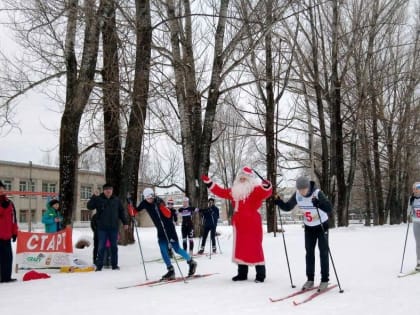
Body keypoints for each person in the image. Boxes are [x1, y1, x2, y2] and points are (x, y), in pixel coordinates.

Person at [201, 166, 272, 283]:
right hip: (239, 225)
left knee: (255, 248)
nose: (242, 180)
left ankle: (260, 275)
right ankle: (242, 274)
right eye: (241, 178)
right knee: (241, 248)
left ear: (250, 180)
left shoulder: (256, 189)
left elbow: (266, 192)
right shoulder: (235, 191)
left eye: (245, 178)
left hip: (253, 224)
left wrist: (267, 186)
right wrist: (210, 184)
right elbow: (221, 192)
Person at [275, 176, 332, 291]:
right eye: (300, 189)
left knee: (323, 253)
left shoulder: (317, 193)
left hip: (322, 226)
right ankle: (310, 279)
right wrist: (279, 201)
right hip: (309, 227)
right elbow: (288, 207)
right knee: (309, 253)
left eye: (304, 189)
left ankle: (325, 280)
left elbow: (329, 208)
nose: (302, 192)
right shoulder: (297, 195)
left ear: (308, 187)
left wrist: (318, 203)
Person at [136, 188, 197, 280]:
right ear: (145, 197)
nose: (150, 199)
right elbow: (135, 211)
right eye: (148, 198)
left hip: (169, 229)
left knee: (176, 249)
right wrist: (130, 205)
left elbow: (168, 214)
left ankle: (191, 262)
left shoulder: (159, 201)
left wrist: (161, 206)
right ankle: (170, 270)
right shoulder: (144, 203)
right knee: (163, 249)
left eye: (151, 197)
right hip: (160, 230)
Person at [87, 183, 129, 271]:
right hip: (102, 228)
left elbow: (121, 212)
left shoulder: (116, 200)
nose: (108, 191)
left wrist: (125, 222)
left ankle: (114, 265)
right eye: (106, 189)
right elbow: (89, 207)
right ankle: (99, 266)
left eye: (110, 189)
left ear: (112, 190)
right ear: (103, 190)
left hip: (113, 228)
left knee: (114, 247)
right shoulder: (99, 199)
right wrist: (94, 196)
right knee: (101, 247)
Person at [0, 180, 18, 283]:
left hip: (6, 236)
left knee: (8, 258)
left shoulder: (10, 203)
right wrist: (2, 207)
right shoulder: (5, 204)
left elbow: (14, 219)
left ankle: (6, 277)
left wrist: (15, 232)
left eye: (2, 188)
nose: (1, 190)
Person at [407, 182, 420, 271]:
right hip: (416, 222)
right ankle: (419, 262)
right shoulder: (411, 198)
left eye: (416, 188)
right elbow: (409, 208)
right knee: (418, 243)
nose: (414, 190)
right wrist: (408, 215)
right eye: (413, 189)